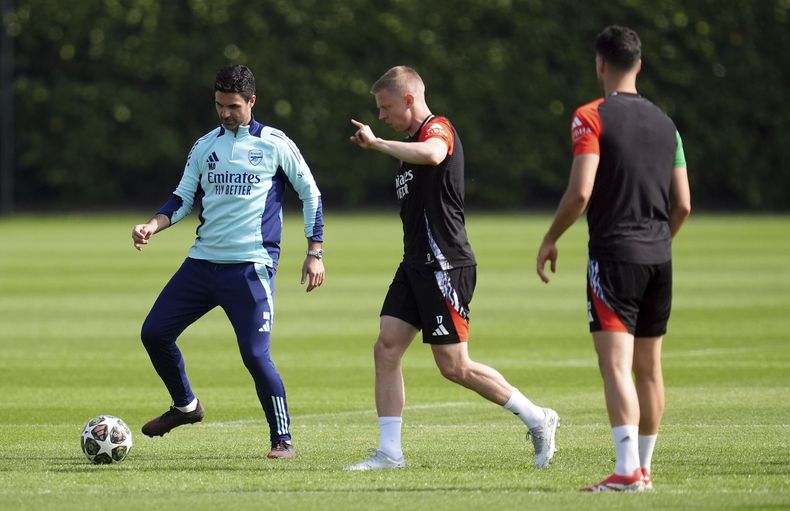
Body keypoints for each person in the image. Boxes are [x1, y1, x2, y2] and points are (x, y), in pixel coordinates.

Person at [344, 65, 559, 471]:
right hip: (415, 265)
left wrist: (378, 144)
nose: (381, 116)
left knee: (454, 367)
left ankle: (537, 417)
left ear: (409, 99)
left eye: (385, 106)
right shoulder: (408, 148)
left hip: (445, 264)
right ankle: (390, 453)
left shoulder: (437, 129)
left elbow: (435, 154)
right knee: (386, 346)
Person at [131, 64, 325, 460]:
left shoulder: (275, 143)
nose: (224, 113)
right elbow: (183, 197)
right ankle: (186, 406)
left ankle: (282, 439)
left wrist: (314, 252)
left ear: (251, 102)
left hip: (250, 268)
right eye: (219, 105)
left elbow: (311, 194)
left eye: (233, 106)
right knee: (153, 333)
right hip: (202, 265)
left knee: (255, 355)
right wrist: (152, 224)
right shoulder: (205, 146)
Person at [536, 26, 691, 491]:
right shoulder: (668, 125)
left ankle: (626, 472)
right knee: (650, 368)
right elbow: (682, 203)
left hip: (614, 256)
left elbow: (581, 191)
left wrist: (550, 237)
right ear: (639, 65)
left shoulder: (590, 116)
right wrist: (658, 241)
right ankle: (643, 468)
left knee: (616, 367)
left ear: (600, 64)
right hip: (658, 257)